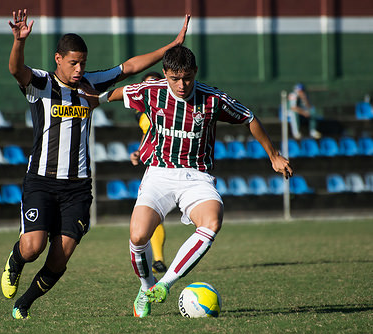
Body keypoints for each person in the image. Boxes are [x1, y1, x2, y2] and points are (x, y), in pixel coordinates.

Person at [0, 8, 190, 320]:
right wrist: (19, 42)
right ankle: (16, 262)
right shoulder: (41, 84)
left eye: (82, 63)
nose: (78, 69)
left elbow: (128, 68)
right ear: (58, 59)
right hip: (42, 181)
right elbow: (15, 69)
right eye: (73, 62)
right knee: (33, 247)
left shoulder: (90, 83)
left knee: (59, 260)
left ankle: (24, 303)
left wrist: (171, 47)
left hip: (77, 188)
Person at [100, 45, 293, 318]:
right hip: (159, 172)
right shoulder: (150, 91)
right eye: (175, 78)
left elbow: (249, 117)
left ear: (195, 73)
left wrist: (273, 155)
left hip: (197, 176)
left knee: (212, 222)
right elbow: (113, 94)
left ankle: (164, 283)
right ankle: (146, 289)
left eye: (187, 78)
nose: (181, 85)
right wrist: (88, 100)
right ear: (165, 74)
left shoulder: (213, 99)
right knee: (137, 236)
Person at [130, 71, 168, 274]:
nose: (149, 89)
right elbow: (149, 134)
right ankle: (158, 260)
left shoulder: (171, 106)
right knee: (152, 213)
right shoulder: (141, 111)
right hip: (155, 166)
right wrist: (139, 151)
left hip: (178, 164)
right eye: (145, 85)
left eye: (154, 84)